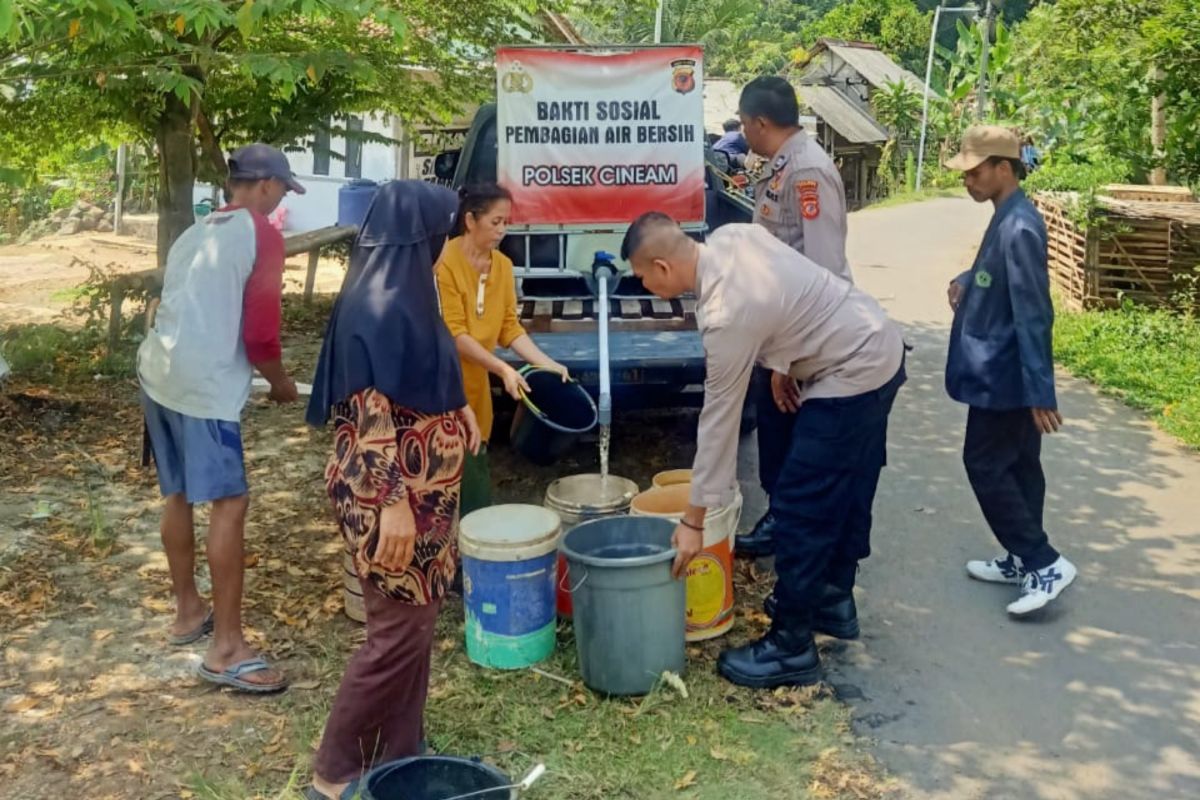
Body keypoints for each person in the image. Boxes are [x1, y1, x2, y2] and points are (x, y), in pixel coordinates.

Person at [621, 213, 905, 688]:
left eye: (641, 276)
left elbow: (719, 422)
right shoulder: (733, 237)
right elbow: (791, 291)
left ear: (662, 267)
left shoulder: (724, 315)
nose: (644, 285)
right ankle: (832, 600)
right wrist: (783, 361)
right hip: (875, 341)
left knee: (800, 505)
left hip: (852, 368)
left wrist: (693, 522)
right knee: (847, 486)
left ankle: (791, 646)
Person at [305, 180, 482, 799]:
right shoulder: (375, 307)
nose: (450, 240)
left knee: (419, 624)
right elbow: (367, 419)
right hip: (391, 497)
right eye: (444, 230)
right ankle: (333, 771)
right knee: (395, 635)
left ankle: (401, 752)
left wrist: (455, 406)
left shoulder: (409, 290)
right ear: (423, 234)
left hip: (425, 494)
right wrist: (395, 507)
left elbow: (429, 362)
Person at [137, 143, 303, 693]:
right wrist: (280, 383)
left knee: (179, 493)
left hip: (160, 372)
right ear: (262, 185)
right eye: (281, 189)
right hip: (204, 387)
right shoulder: (261, 234)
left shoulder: (197, 232)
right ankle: (227, 647)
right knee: (230, 504)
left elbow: (176, 305)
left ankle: (189, 610)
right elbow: (259, 336)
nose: (281, 200)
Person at [945, 126, 1076, 616]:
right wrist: (966, 281)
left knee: (983, 463)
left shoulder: (1020, 225)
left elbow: (1033, 311)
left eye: (975, 171)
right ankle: (1022, 557)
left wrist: (1040, 390)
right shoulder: (1006, 215)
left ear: (1005, 168)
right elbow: (991, 273)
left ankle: (1044, 562)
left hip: (1004, 374)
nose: (968, 180)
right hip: (1000, 368)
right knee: (1020, 464)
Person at [735, 75, 853, 561]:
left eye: (744, 123)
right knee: (775, 432)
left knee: (792, 438)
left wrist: (787, 359)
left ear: (760, 123)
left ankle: (791, 532)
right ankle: (781, 518)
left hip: (803, 336)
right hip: (780, 329)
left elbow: (823, 270)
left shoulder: (808, 172)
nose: (742, 131)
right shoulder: (781, 166)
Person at [435, 183, 568, 515]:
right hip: (443, 386)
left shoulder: (504, 267)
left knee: (475, 478)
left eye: (506, 222)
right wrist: (503, 368)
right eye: (495, 222)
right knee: (440, 482)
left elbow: (510, 327)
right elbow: (455, 333)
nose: (502, 230)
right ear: (470, 220)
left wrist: (549, 364)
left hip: (476, 392)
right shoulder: (445, 261)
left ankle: (472, 551)